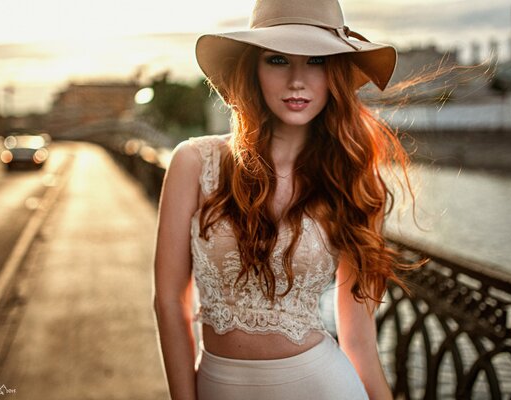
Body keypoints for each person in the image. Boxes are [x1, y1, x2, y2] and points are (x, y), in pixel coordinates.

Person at [153, 0, 414, 399]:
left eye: (316, 60)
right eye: (277, 59)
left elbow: (359, 342)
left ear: (336, 73)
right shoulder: (193, 162)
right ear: (253, 69)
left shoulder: (352, 183)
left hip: (323, 386)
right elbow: (170, 301)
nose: (297, 80)